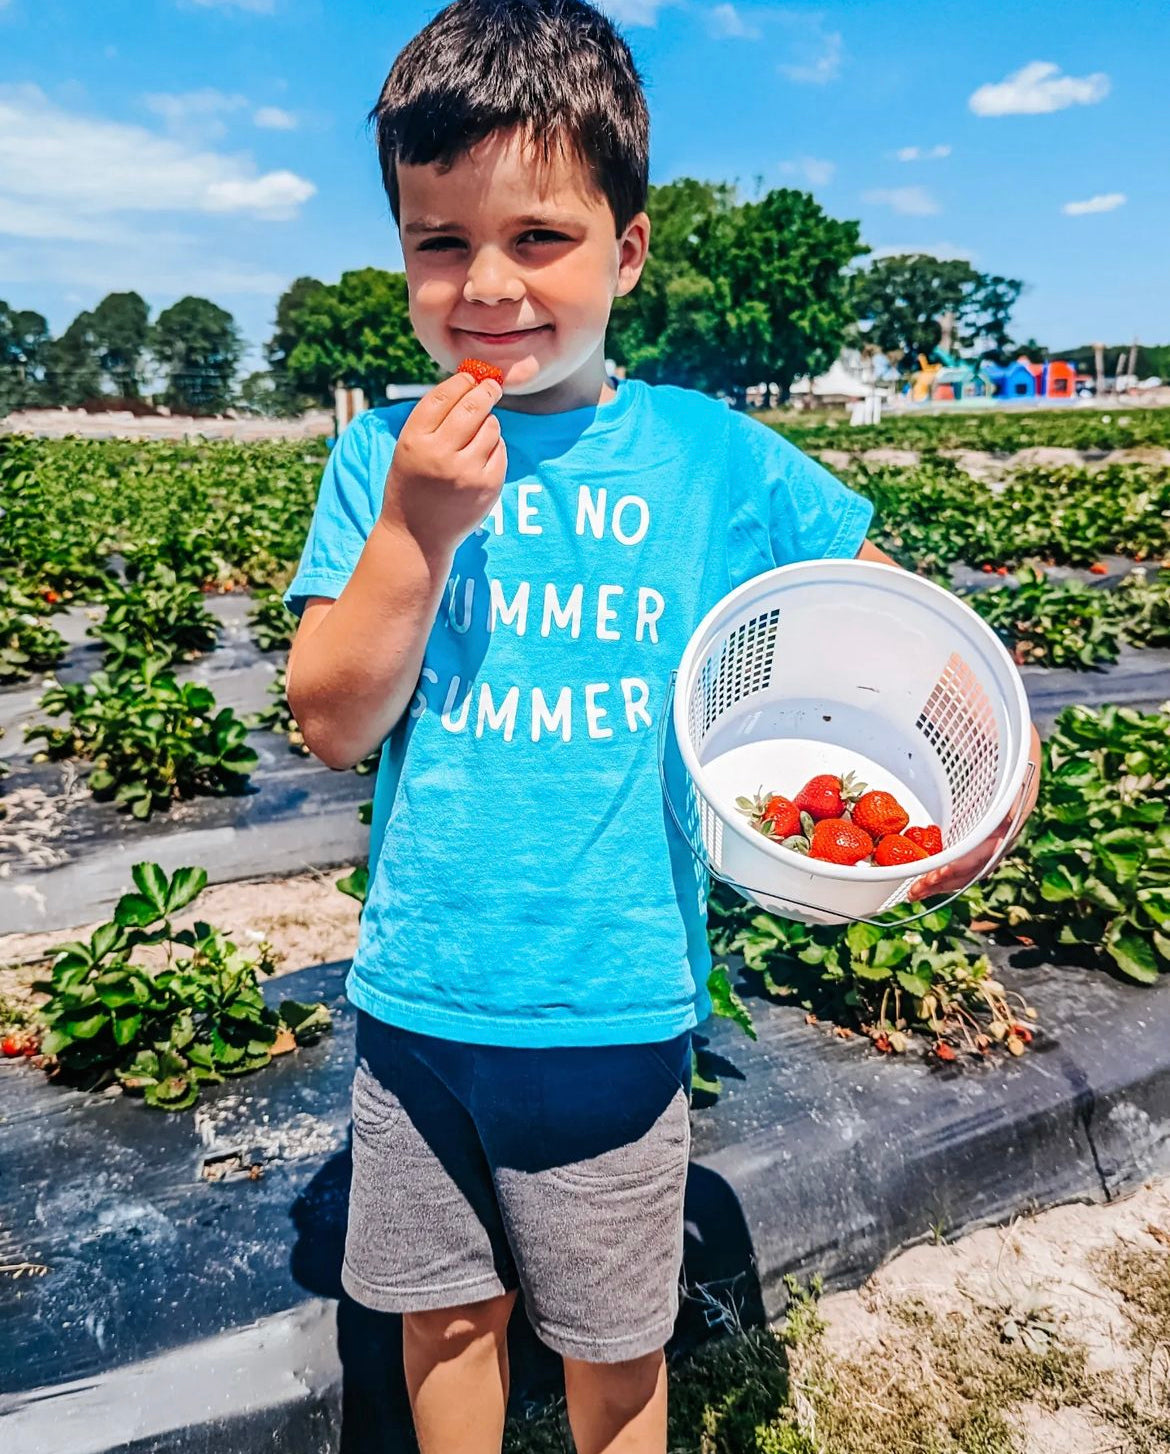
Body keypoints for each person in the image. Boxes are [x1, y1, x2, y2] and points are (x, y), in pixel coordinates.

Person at [282, 2, 1043, 1448]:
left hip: (613, 997)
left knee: (612, 1342)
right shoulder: (382, 457)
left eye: (539, 238)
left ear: (627, 249)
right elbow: (331, 719)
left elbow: (902, 630)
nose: (486, 284)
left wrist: (992, 771)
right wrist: (415, 533)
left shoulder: (712, 458)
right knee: (440, 1314)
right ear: (399, 252)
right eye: (439, 241)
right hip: (419, 997)